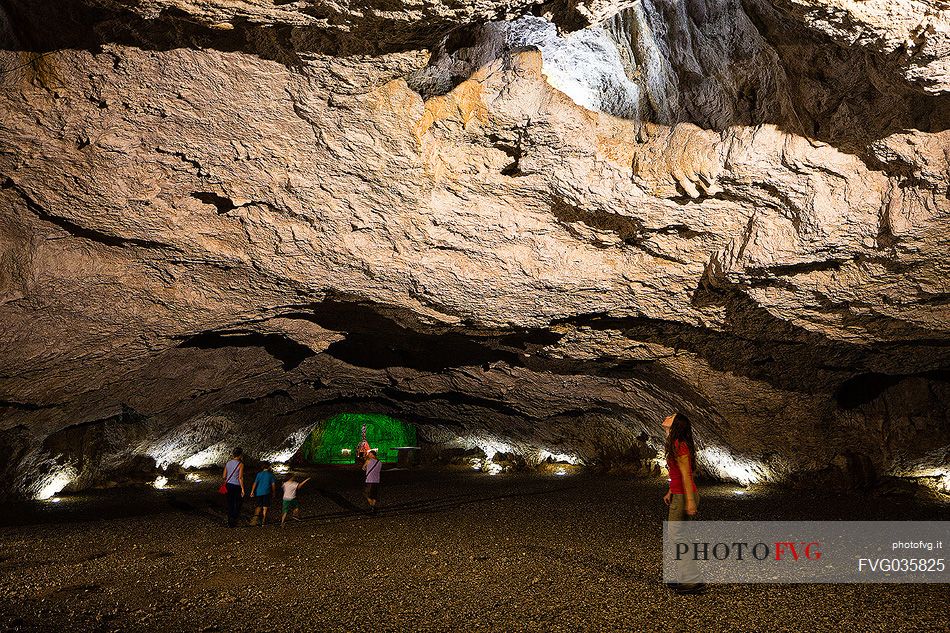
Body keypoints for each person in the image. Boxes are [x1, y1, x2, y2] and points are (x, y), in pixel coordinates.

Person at [662, 412, 704, 594]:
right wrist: (671, 489)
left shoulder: (680, 446)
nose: (666, 416)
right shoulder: (673, 443)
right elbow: (677, 472)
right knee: (680, 537)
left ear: (676, 424)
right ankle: (686, 578)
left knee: (677, 536)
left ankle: (691, 581)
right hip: (679, 493)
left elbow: (687, 474)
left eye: (671, 416)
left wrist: (689, 501)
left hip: (684, 496)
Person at [222, 448, 245, 528]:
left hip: (228, 485)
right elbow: (240, 478)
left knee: (230, 502)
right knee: (237, 503)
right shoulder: (241, 464)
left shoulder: (228, 463)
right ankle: (234, 519)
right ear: (240, 455)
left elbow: (224, 476)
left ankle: (230, 521)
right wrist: (242, 489)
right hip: (236, 486)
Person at [363, 449, 381, 514]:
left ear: (372, 454)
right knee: (374, 494)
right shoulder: (379, 462)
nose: (368, 455)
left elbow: (363, 468)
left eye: (369, 454)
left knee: (366, 494)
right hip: (377, 480)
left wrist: (366, 467)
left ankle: (372, 506)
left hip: (369, 480)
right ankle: (373, 507)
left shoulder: (368, 460)